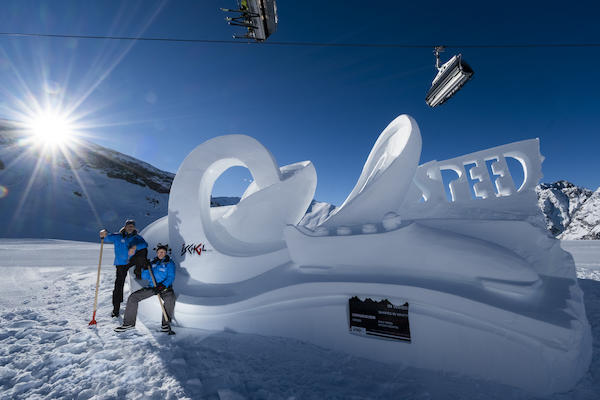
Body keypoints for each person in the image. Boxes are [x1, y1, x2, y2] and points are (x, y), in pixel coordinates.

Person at [114, 243, 176, 333]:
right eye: (159, 252)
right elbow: (144, 276)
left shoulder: (169, 263)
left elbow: (171, 276)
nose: (161, 254)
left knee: (170, 299)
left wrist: (163, 286)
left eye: (163, 252)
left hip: (165, 288)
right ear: (157, 253)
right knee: (133, 297)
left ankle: (165, 325)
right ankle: (129, 324)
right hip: (152, 287)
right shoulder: (152, 263)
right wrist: (146, 268)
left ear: (166, 253)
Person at [99, 219, 148, 318]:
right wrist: (103, 233)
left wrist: (134, 246)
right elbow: (107, 238)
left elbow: (144, 244)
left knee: (143, 251)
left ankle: (138, 270)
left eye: (132, 226)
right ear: (125, 227)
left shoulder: (137, 237)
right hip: (121, 264)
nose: (130, 227)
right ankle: (116, 308)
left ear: (134, 227)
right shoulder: (118, 236)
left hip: (131, 261)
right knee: (118, 285)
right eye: (129, 226)